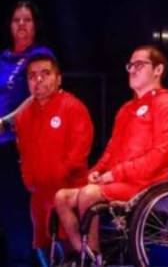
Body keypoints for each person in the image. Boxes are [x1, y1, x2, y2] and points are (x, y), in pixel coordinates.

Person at [54, 45, 168, 259]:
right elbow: (111, 151)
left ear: (158, 70)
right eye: (130, 65)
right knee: (61, 197)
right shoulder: (126, 109)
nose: (132, 70)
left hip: (149, 184)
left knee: (89, 194)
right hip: (121, 182)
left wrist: (115, 174)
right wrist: (97, 172)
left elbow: (159, 156)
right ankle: (85, 254)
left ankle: (95, 255)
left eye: (139, 64)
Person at [14, 54, 93, 264]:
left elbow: (79, 151)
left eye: (45, 74)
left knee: (70, 251)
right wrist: (28, 179)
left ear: (58, 78)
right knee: (41, 246)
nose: (38, 80)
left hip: (67, 192)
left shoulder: (73, 107)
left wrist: (59, 176)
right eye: (32, 76)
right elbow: (22, 152)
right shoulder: (23, 116)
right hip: (38, 196)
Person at [0, 0, 55, 267]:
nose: (21, 24)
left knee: (16, 211)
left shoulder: (39, 56)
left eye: (27, 19)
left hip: (18, 143)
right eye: (16, 20)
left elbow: (39, 94)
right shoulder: (3, 58)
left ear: (35, 25)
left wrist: (7, 122)